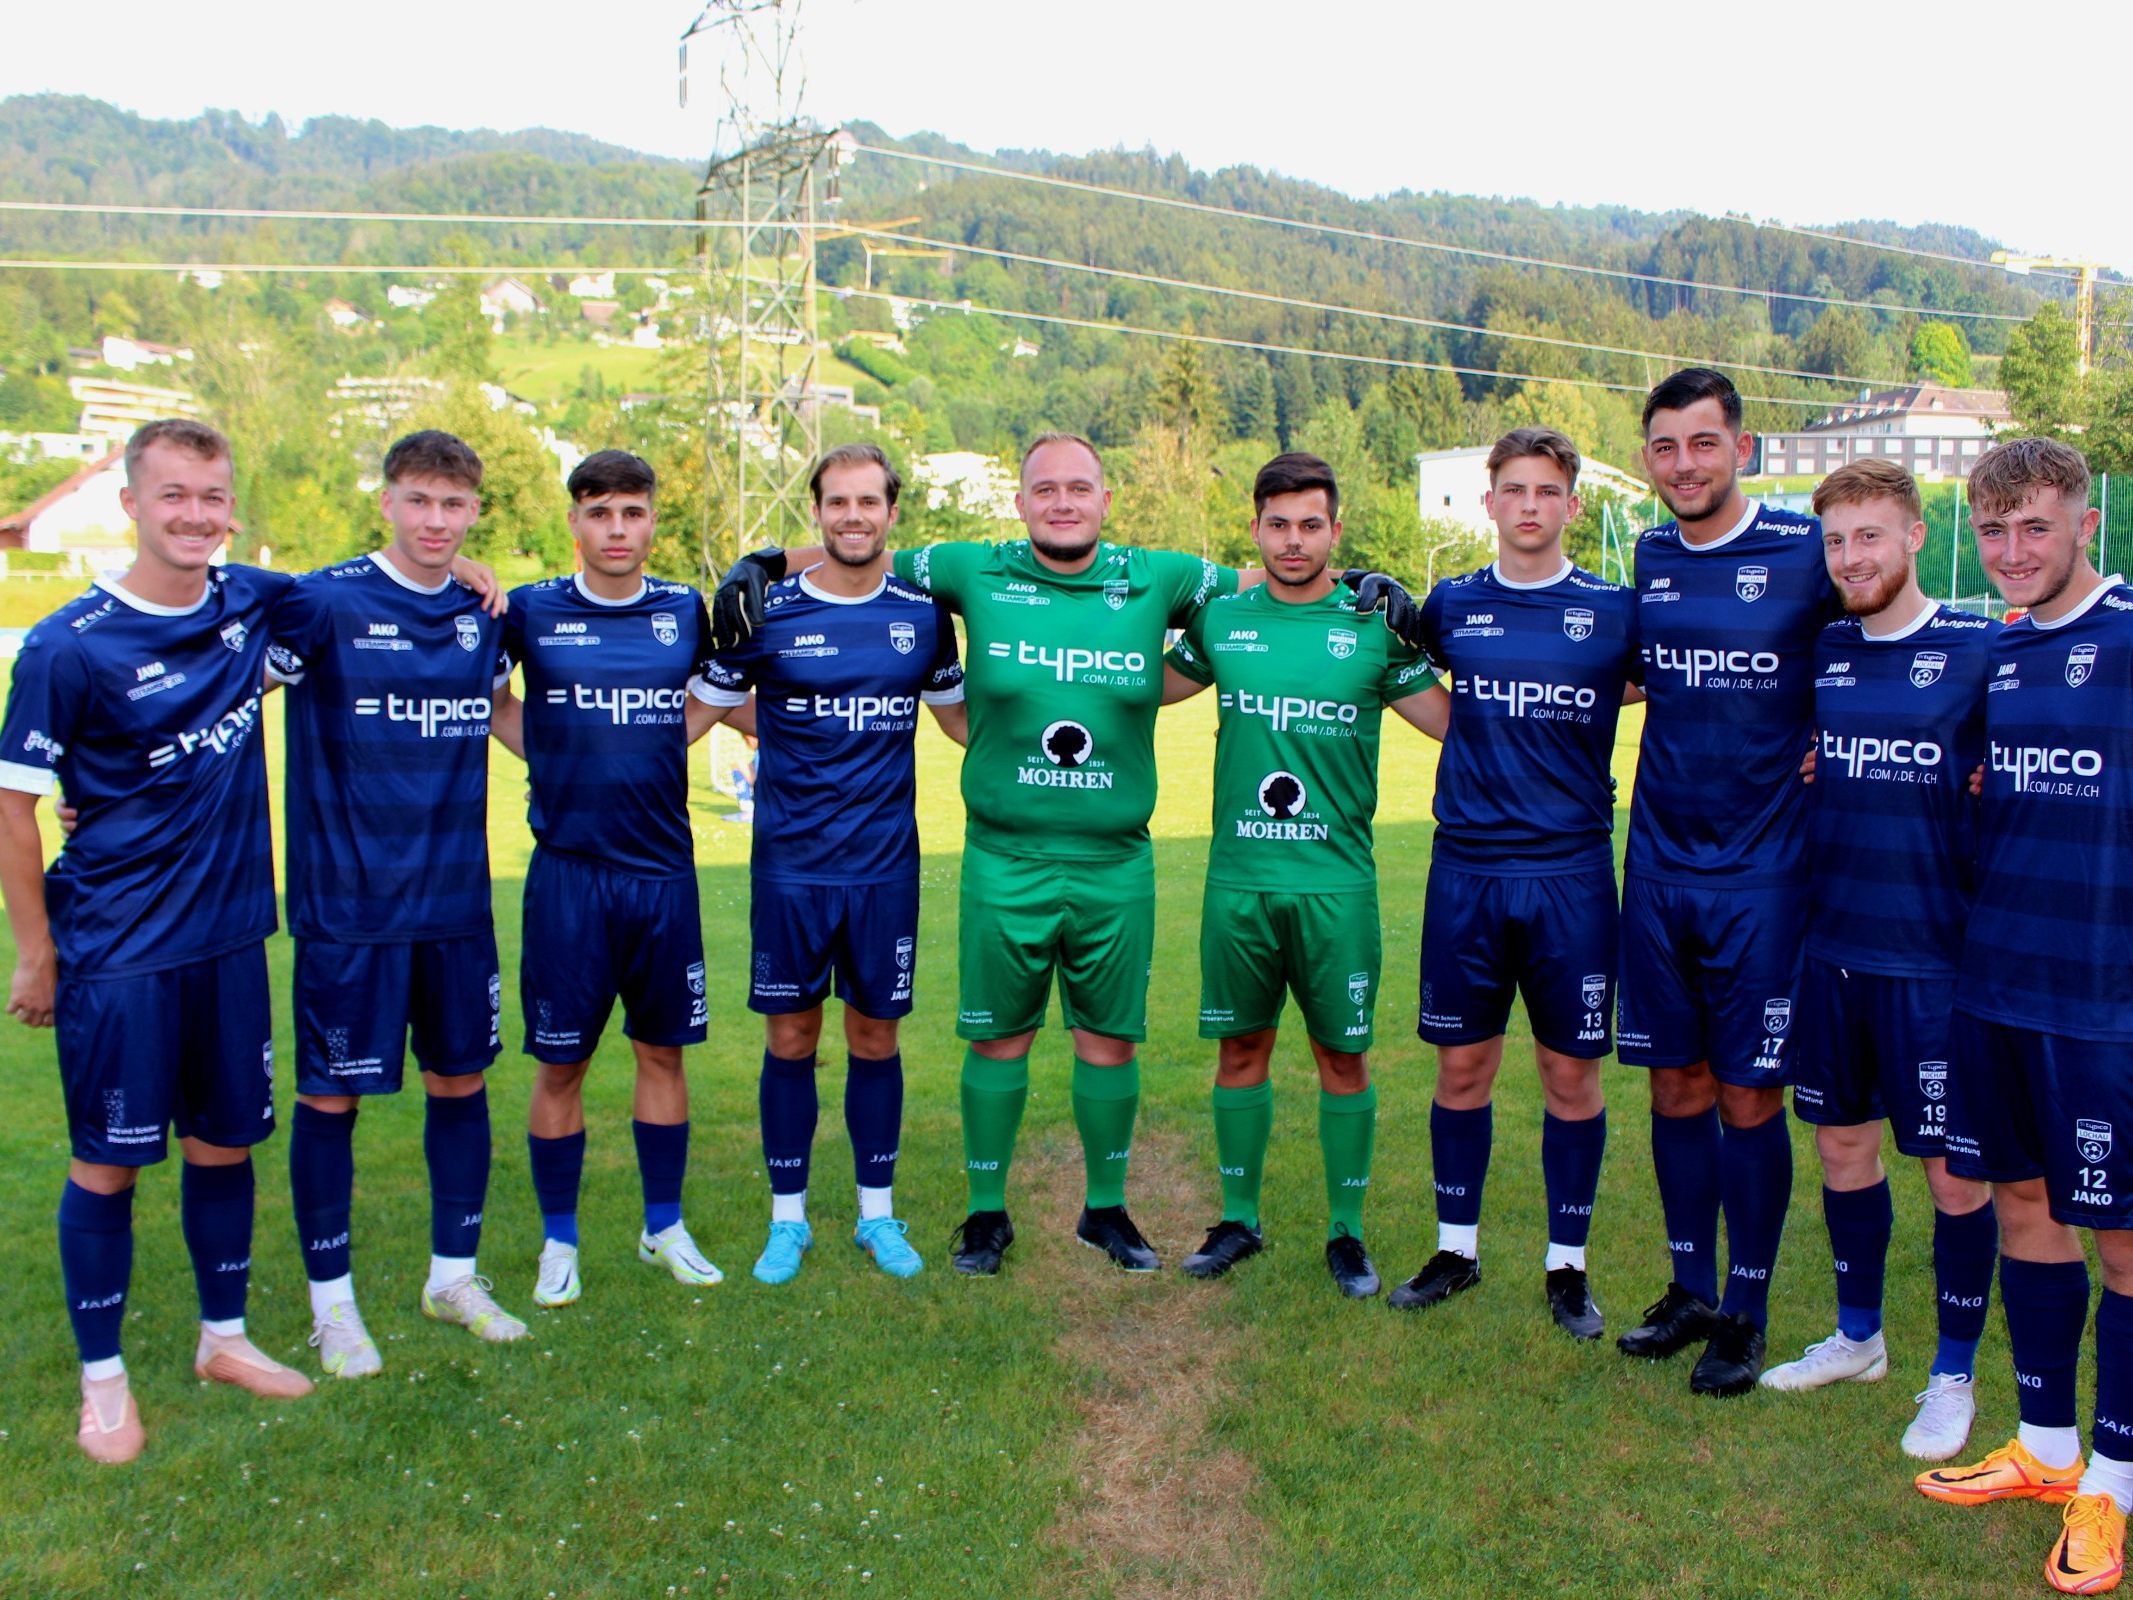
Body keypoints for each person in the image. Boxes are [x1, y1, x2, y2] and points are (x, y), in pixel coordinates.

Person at [711, 431, 1423, 1276]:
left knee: (1107, 1042)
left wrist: (1363, 585)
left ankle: (1106, 1211)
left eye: (1077, 487)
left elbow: (1265, 576)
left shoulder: (1156, 575)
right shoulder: (972, 567)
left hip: (1114, 858)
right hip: (1003, 855)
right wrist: (767, 560)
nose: (1061, 501)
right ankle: (985, 1216)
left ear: (1104, 500)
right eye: (1043, 488)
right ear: (1019, 501)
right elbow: (860, 544)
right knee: (996, 1040)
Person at [0, 418, 313, 1463]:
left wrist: (484, 570)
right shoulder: (67, 644)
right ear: (129, 503)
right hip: (118, 951)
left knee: (225, 1145)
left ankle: (222, 1338)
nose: (195, 514)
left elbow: (378, 582)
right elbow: (14, 809)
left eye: (213, 496)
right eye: (173, 494)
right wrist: (37, 953)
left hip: (227, 940)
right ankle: (103, 1382)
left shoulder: (250, 603)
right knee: (109, 1164)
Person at [1911, 439, 2133, 1596]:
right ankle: (2047, 1447)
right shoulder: (1991, 653)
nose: (2011, 553)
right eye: (1992, 532)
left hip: (2105, 1003)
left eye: (2034, 529)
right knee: (2024, 1206)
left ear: (2083, 524)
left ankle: (2119, 1479)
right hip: (1992, 985)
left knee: (2127, 1239)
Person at [1755, 458, 1998, 1466]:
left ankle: (1953, 1372)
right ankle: (1860, 1337)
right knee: (1843, 1151)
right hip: (1833, 948)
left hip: (1936, 966)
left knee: (1953, 1176)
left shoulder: (1981, 649)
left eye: (1870, 536)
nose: (1851, 557)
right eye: (1837, 541)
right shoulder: (1828, 653)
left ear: (1911, 538)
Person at [273, 429, 523, 1374]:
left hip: (457, 905)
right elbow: (225, 677)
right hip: (349, 911)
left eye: (454, 505)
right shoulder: (322, 602)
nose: (435, 521)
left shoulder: (484, 613)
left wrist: (607, 765)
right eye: (418, 500)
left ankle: (451, 1277)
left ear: (474, 513)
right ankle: (332, 1307)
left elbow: (504, 716)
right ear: (386, 501)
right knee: (329, 1097)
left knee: (459, 1084)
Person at [1384, 427, 1639, 1339]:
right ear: (1487, 504)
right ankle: (1456, 1248)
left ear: (1573, 506)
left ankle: (1566, 1266)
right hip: (1468, 872)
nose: (1528, 507)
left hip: (1569, 874)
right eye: (1512, 491)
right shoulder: (1450, 606)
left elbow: (1668, 686)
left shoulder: (1615, 612)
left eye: (1546, 492)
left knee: (1570, 1074)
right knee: (1463, 1067)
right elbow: (1430, 699)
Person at [1612, 368, 1837, 1396]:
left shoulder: (1804, 550)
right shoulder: (1651, 554)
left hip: (1765, 873)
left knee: (1749, 1093)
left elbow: (1890, 630)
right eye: (1665, 446)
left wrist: (1842, 731)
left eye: (1703, 443)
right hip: (1659, 863)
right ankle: (1690, 1288)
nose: (1684, 464)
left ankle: (1746, 1308)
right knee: (1675, 1080)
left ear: (1741, 448)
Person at [1162, 452, 1434, 1297]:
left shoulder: (1375, 628)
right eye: (1276, 524)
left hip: (1336, 887)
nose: (1292, 540)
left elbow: (1460, 726)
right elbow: (1132, 687)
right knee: (1240, 1048)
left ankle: (1345, 1234)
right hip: (1238, 882)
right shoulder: (1222, 624)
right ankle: (1238, 1220)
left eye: (1309, 524)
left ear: (1335, 531)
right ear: (1255, 530)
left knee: (1340, 1057)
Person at [699, 443, 966, 1283]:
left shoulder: (922, 615)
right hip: (790, 866)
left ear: (892, 513)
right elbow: (695, 712)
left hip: (885, 866)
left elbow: (963, 725)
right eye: (836, 502)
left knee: (874, 1036)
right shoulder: (767, 610)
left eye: (868, 503)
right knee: (790, 1035)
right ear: (816, 511)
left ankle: (876, 1216)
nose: (853, 516)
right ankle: (788, 1222)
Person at [489, 450, 725, 1308]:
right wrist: (548, 756)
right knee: (562, 1065)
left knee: (662, 1053)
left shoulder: (682, 610)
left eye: (631, 513)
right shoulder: (529, 610)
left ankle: (662, 1224)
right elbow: (491, 700)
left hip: (662, 873)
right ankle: (560, 1240)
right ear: (575, 522)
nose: (616, 530)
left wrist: (667, 740)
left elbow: (716, 698)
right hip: (569, 878)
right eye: (599, 514)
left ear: (652, 519)